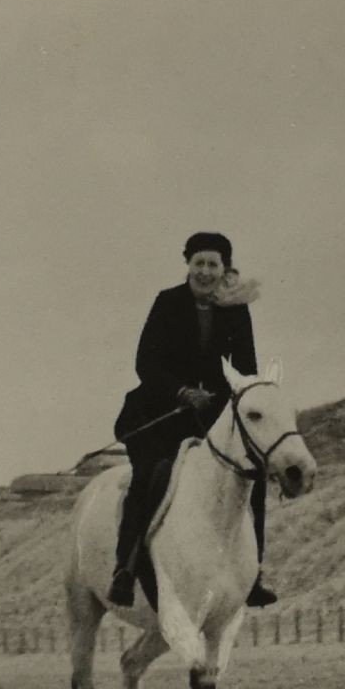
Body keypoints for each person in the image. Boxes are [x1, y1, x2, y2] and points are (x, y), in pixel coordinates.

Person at [108, 231, 276, 609]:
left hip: (212, 416)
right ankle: (126, 567)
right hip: (160, 412)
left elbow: (245, 368)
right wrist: (182, 392)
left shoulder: (236, 308)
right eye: (198, 263)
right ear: (188, 265)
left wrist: (230, 397)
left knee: (255, 477)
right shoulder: (168, 303)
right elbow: (146, 363)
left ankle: (253, 574)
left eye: (212, 264)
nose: (204, 271)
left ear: (224, 269)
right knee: (151, 473)